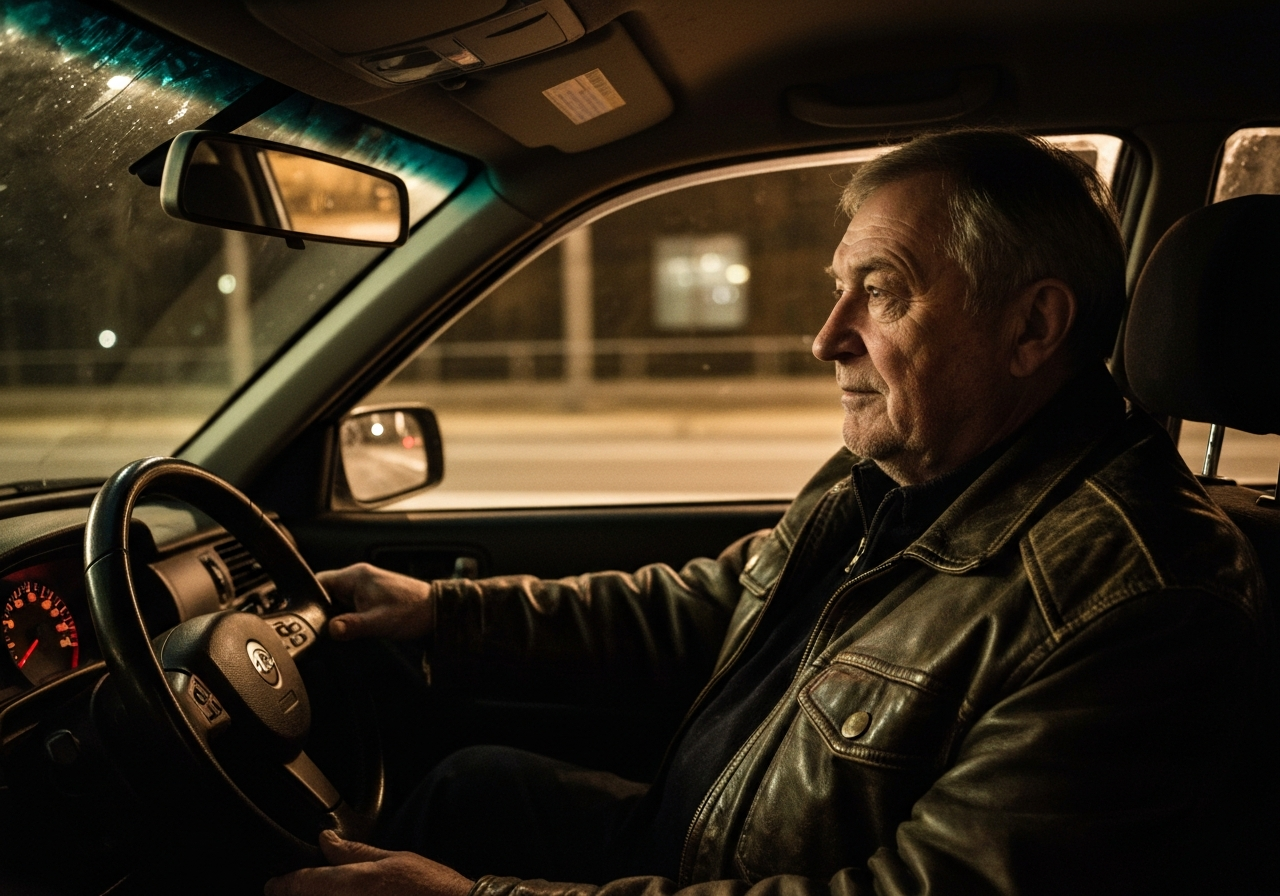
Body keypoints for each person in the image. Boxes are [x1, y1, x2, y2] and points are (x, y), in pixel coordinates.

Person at [266, 129, 1270, 896]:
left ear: (1031, 326)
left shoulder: (1140, 597)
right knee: (470, 782)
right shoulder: (900, 472)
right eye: (837, 288)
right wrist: (443, 612)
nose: (823, 336)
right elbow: (712, 603)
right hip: (709, 835)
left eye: (877, 291)